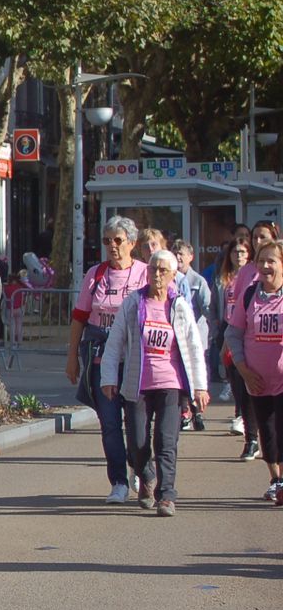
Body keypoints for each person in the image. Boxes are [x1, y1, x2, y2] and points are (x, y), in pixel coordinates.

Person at [100, 249, 209, 516]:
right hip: (137, 384)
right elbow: (115, 342)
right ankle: (146, 476)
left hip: (171, 384)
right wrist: (109, 377)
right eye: (152, 269)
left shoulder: (179, 305)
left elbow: (194, 347)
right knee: (137, 443)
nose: (157, 275)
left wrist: (200, 386)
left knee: (165, 441)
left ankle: (166, 495)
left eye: (163, 270)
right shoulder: (133, 303)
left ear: (173, 275)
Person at [65, 217, 148, 503]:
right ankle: (119, 482)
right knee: (110, 423)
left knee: (137, 424)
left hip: (135, 359)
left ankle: (141, 468)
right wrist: (72, 358)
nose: (112, 246)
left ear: (132, 243)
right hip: (101, 358)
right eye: (107, 240)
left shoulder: (145, 274)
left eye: (118, 240)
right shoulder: (96, 274)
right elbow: (79, 318)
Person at [227, 239, 283, 503]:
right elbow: (233, 333)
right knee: (267, 432)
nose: (265, 266)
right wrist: (244, 370)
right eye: (261, 260)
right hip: (256, 380)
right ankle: (275, 479)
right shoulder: (250, 295)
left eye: (271, 260)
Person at [173, 239, 212, 431]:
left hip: (196, 336)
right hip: (177, 338)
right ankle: (184, 412)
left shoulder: (198, 281)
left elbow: (208, 308)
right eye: (175, 253)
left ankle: (197, 412)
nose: (178, 257)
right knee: (180, 375)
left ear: (191, 257)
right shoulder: (170, 279)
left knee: (195, 375)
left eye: (181, 253)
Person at [211, 239, 251, 416]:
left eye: (242, 252)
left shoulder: (253, 276)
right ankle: (239, 409)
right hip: (226, 327)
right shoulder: (223, 278)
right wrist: (216, 327)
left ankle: (243, 413)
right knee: (232, 372)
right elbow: (213, 305)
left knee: (243, 369)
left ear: (249, 254)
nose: (239, 256)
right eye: (235, 252)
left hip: (246, 329)